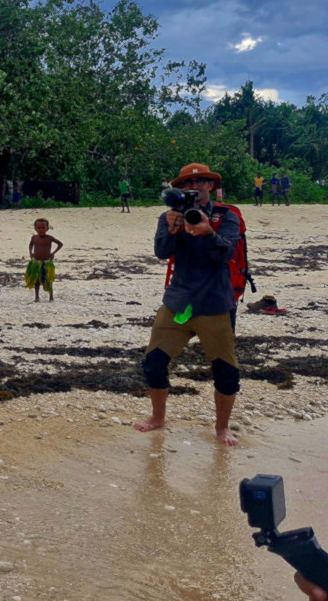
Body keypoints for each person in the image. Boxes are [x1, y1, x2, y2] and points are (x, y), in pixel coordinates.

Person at [133, 163, 244, 447]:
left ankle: (222, 428)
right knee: (154, 362)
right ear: (179, 189)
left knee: (226, 371)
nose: (193, 187)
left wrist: (207, 232)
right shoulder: (169, 215)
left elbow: (227, 253)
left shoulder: (226, 215)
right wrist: (171, 228)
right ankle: (158, 417)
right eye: (186, 183)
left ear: (211, 185)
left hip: (216, 303)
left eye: (200, 181)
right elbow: (161, 252)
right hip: (178, 300)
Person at [25, 217, 63, 302]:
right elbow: (31, 245)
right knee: (36, 280)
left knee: (48, 279)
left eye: (43, 228)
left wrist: (53, 253)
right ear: (35, 228)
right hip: (36, 262)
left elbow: (60, 244)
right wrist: (30, 253)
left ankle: (51, 296)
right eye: (38, 228)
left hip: (47, 262)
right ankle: (37, 297)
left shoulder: (49, 238)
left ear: (47, 228)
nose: (41, 230)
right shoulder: (34, 237)